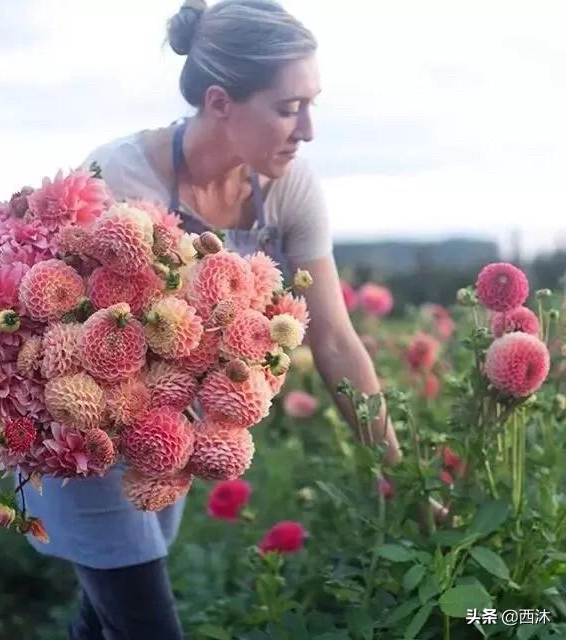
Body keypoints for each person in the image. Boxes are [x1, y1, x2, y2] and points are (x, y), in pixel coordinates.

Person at [21, 1, 403, 638]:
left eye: (313, 105)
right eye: (288, 108)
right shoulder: (115, 177)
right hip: (80, 430)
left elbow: (335, 336)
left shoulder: (290, 188)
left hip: (166, 438)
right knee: (147, 625)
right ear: (222, 101)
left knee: (105, 617)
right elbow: (48, 324)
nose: (307, 129)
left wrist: (396, 471)